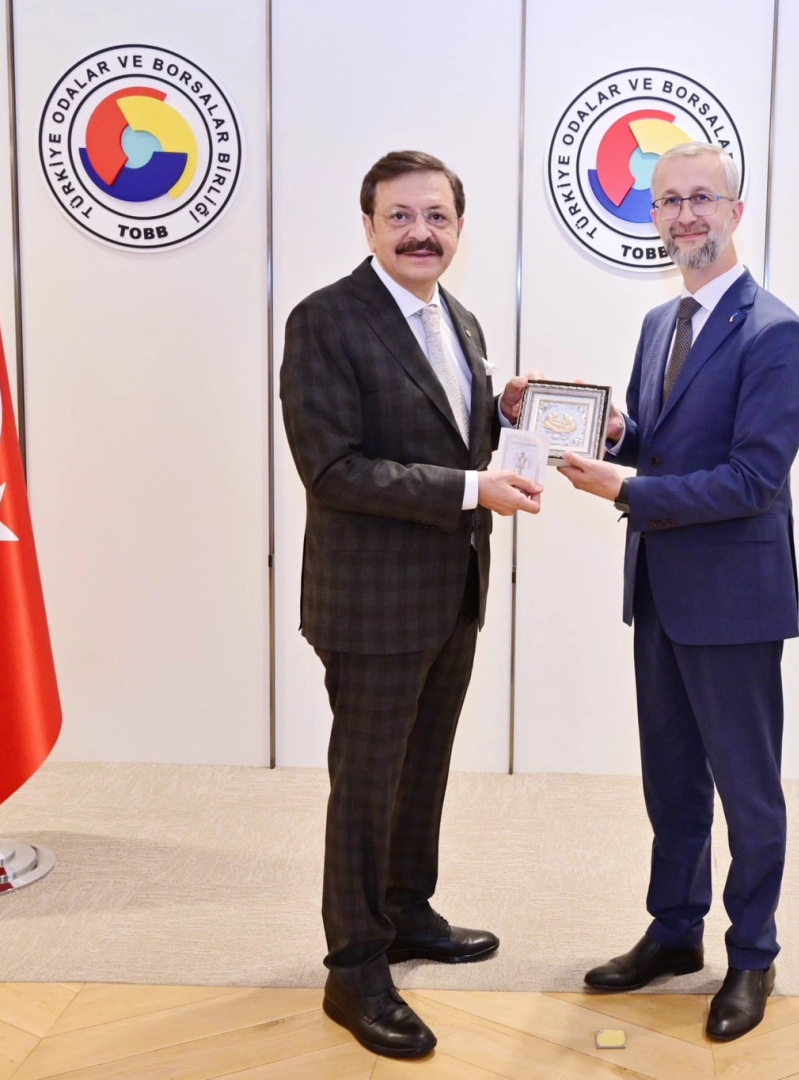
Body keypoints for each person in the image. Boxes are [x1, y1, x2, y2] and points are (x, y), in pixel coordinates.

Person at [280, 150, 542, 1059]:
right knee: (366, 785)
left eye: (436, 216)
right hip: (371, 603)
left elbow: (448, 433)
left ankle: (405, 910)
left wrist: (508, 413)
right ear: (368, 225)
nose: (419, 233)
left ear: (458, 228)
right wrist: (473, 489)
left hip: (451, 590)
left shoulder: (458, 319)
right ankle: (354, 967)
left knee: (422, 766)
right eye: (399, 216)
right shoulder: (324, 320)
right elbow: (332, 468)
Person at [558, 141, 799, 1041]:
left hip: (734, 600)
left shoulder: (775, 333)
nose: (684, 215)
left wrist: (626, 489)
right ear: (654, 217)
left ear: (735, 212)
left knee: (746, 789)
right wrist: (609, 435)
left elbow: (751, 479)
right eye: (668, 201)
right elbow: (660, 445)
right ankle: (674, 933)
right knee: (670, 779)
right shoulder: (658, 324)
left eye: (701, 198)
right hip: (661, 590)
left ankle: (752, 955)